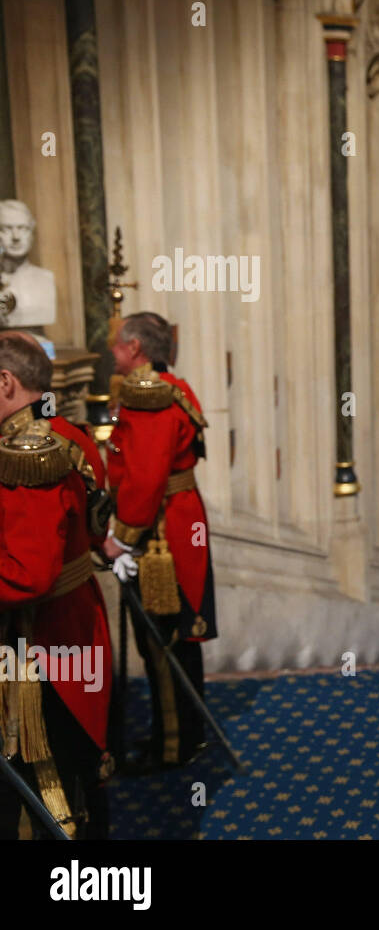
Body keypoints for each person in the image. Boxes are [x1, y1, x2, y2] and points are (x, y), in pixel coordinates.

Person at [0, 332, 112, 838]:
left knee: (47, 781)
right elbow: (94, 526)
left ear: (5, 382)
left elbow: (28, 576)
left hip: (39, 643)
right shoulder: (71, 432)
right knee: (76, 772)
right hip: (76, 623)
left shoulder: (26, 454)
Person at [100, 312, 215, 770]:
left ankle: (174, 746)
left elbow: (146, 478)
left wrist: (122, 541)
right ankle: (186, 735)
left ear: (135, 349)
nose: (112, 350)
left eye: (117, 344)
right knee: (175, 639)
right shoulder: (172, 385)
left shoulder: (148, 398)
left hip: (160, 531)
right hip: (178, 519)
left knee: (162, 640)